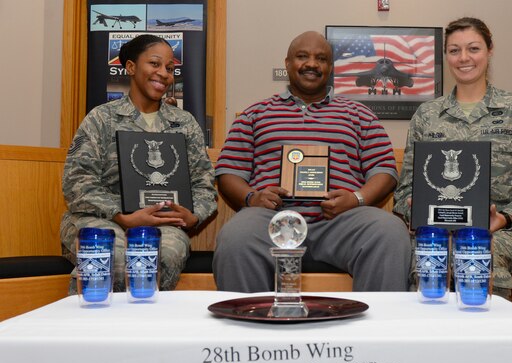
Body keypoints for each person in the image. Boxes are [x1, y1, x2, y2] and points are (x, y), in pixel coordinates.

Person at [213, 31, 411, 292]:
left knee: (389, 231)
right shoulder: (255, 115)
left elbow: (384, 169)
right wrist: (252, 198)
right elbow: (228, 172)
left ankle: (376, 331)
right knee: (236, 236)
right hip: (271, 220)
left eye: (321, 58)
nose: (312, 64)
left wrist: (357, 198)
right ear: (287, 63)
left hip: (340, 224)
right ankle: (250, 329)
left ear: (330, 68)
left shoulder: (359, 115)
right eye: (302, 56)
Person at [394, 17, 512, 297]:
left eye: (473, 48)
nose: (463, 58)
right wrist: (416, 209)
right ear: (446, 55)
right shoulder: (427, 115)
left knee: (477, 253)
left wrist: (505, 217)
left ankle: (488, 339)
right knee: (425, 259)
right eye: (454, 50)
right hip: (438, 231)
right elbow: (406, 188)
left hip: (503, 232)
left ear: (489, 50)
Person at [61, 34, 216, 292]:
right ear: (131, 67)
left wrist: (193, 215)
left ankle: (146, 329)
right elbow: (77, 182)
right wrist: (123, 215)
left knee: (160, 255)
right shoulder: (102, 118)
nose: (163, 73)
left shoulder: (184, 123)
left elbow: (204, 183)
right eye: (154, 64)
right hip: (101, 218)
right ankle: (89, 329)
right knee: (114, 257)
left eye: (169, 68)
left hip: (164, 222)